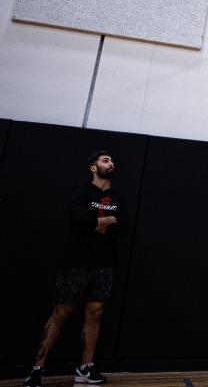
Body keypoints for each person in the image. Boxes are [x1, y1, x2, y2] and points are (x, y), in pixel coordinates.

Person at [22, 151, 129, 387]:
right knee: (61, 313)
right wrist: (106, 221)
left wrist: (99, 223)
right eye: (105, 160)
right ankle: (37, 370)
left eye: (112, 160)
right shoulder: (81, 193)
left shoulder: (117, 197)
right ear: (93, 167)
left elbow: (122, 228)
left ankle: (85, 368)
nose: (111, 163)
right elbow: (81, 222)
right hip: (76, 262)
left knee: (95, 314)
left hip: (105, 264)